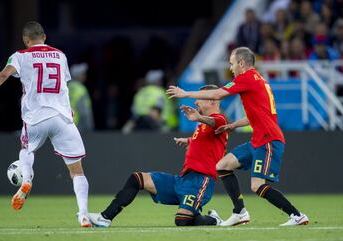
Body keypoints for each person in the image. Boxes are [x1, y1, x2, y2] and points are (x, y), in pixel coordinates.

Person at [167, 47, 309, 226]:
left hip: (268, 140)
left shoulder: (247, 78)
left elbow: (218, 94)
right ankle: (240, 212)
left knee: (257, 186)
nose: (231, 68)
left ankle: (297, 215)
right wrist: (234, 125)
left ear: (241, 63)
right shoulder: (259, 80)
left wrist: (186, 93)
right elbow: (257, 114)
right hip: (258, 139)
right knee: (222, 166)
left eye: (232, 64)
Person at [0, 21, 91, 227]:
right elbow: (63, 85)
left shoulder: (21, 55)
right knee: (77, 171)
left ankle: (27, 180)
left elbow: (5, 74)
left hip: (36, 117)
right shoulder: (60, 55)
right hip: (63, 118)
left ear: (26, 40)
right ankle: (83, 215)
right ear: (44, 37)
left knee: (26, 149)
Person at [88, 85, 229, 227]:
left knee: (182, 220)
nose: (196, 102)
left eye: (199, 98)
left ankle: (214, 220)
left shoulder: (220, 120)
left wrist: (199, 118)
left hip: (200, 182)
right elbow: (205, 141)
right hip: (182, 180)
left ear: (212, 100)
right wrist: (188, 140)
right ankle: (105, 217)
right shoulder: (203, 125)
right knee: (137, 178)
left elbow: (216, 123)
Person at [68, 63, 94, 132]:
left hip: (67, 125)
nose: (85, 76)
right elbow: (84, 112)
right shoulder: (81, 89)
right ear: (77, 76)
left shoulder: (67, 87)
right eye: (82, 74)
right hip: (79, 126)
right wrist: (90, 128)